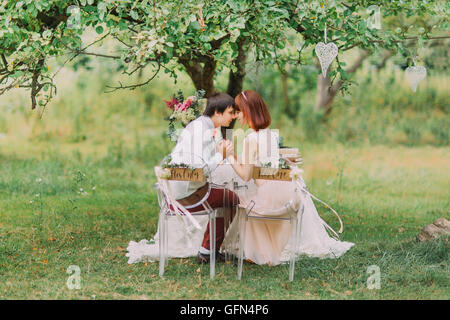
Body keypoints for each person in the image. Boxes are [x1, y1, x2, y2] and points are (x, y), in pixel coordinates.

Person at [222, 90, 354, 265]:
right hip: (285, 191)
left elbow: (246, 176)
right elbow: (256, 167)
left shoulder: (250, 139)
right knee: (248, 199)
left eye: (238, 111)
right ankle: (267, 247)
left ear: (247, 111)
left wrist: (228, 156)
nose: (237, 116)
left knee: (242, 202)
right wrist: (235, 157)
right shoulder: (270, 134)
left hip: (270, 195)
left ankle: (258, 251)